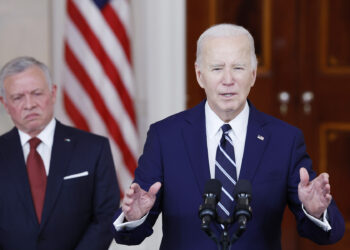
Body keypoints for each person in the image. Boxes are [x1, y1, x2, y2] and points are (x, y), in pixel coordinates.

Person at [112, 24, 345, 249]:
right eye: (216, 68)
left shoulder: (285, 140)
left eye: (238, 68)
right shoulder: (166, 137)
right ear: (199, 75)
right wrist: (134, 216)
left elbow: (329, 234)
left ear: (253, 75)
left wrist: (316, 212)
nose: (228, 80)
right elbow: (129, 236)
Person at [0, 56, 120, 250]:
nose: (29, 104)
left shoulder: (93, 148)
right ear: (5, 104)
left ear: (53, 93)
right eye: (18, 97)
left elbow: (106, 215)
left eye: (37, 93)